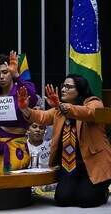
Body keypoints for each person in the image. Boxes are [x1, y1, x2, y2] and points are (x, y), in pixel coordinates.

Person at [17, 74, 111, 207]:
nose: (63, 89)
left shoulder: (94, 103)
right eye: (63, 86)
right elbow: (42, 116)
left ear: (80, 89)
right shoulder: (59, 110)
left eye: (68, 86)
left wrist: (61, 106)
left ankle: (103, 191)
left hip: (93, 164)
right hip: (70, 166)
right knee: (63, 200)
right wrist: (24, 109)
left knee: (85, 200)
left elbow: (87, 113)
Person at [0, 51, 38, 173]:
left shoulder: (20, 94)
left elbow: (33, 97)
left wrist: (17, 75)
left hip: (16, 148)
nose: (1, 77)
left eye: (5, 72)